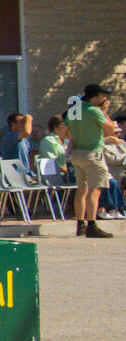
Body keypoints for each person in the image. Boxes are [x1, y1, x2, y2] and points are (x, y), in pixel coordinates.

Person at [65, 83, 115, 238]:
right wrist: (105, 112)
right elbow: (111, 129)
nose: (104, 98)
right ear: (96, 96)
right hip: (93, 154)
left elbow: (66, 127)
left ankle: (80, 224)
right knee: (95, 190)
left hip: (77, 153)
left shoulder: (75, 109)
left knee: (81, 190)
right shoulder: (95, 111)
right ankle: (92, 225)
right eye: (102, 95)